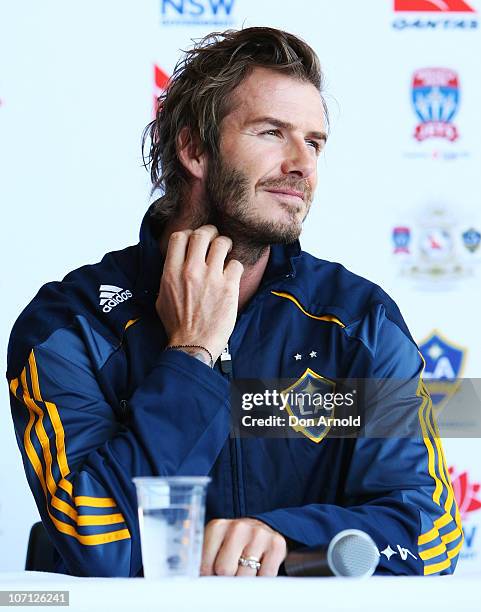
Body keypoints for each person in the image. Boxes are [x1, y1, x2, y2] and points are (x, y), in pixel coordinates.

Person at [7, 27, 462, 578]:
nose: (303, 164)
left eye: (314, 142)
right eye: (272, 133)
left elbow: (430, 532)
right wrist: (191, 355)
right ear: (194, 149)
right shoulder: (70, 325)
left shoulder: (360, 322)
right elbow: (95, 541)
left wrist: (284, 538)